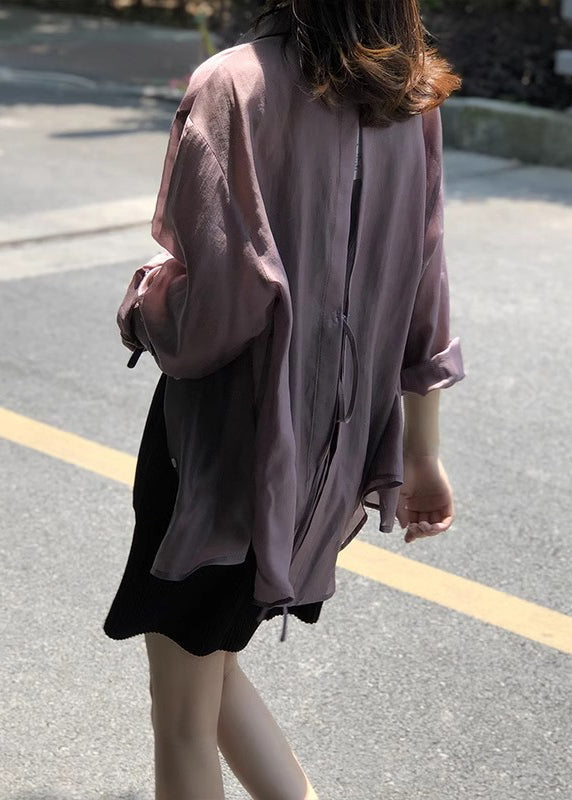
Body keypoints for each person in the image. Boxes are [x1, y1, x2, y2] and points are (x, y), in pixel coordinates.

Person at [103, 0, 466, 797]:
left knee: (183, 713)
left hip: (217, 457)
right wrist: (422, 453)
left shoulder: (234, 85)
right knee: (207, 663)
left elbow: (211, 317)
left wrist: (140, 303)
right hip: (323, 468)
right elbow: (424, 289)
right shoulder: (409, 96)